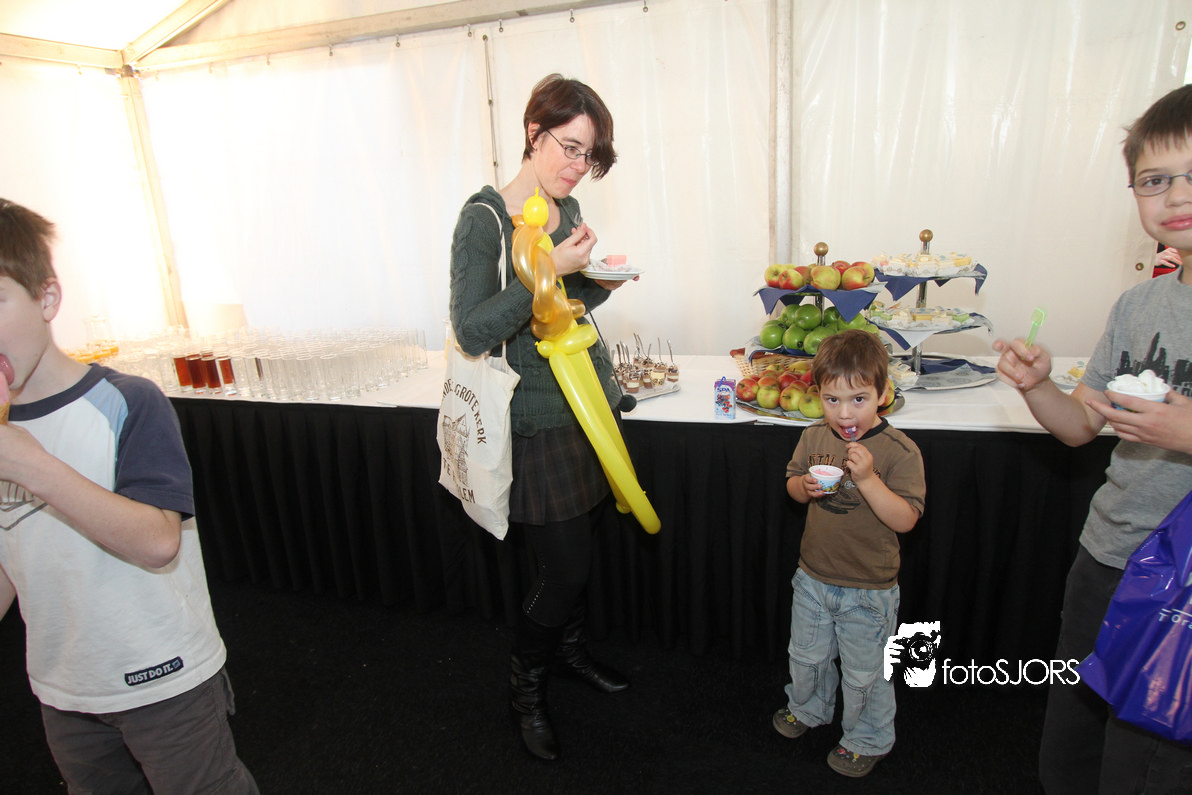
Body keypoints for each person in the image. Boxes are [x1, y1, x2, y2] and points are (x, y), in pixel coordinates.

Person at [0, 199, 257, 793]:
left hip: (162, 676)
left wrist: (31, 465)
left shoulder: (128, 402)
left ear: (47, 298)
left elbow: (158, 541)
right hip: (65, 688)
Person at [994, 83, 1192, 794]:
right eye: (1154, 180)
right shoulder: (1138, 305)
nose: (1176, 195)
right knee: (1073, 745)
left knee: (1148, 762)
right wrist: (1037, 386)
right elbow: (1081, 424)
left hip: (1184, 582)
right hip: (1107, 553)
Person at [448, 74, 637, 761]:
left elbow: (564, 308)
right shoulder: (484, 219)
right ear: (533, 133)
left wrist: (597, 282)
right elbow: (472, 331)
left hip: (582, 403)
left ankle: (569, 653)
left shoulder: (566, 207)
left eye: (589, 154)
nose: (577, 165)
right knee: (564, 570)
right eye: (569, 147)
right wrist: (543, 271)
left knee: (579, 558)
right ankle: (524, 690)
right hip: (530, 420)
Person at [772, 329, 925, 779]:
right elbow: (791, 484)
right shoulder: (813, 435)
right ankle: (809, 707)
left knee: (866, 674)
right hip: (813, 576)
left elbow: (906, 520)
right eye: (832, 400)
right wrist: (804, 486)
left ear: (883, 393)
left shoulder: (900, 451)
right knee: (807, 656)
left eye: (859, 399)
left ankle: (868, 738)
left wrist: (869, 479)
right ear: (818, 394)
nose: (844, 413)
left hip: (869, 589)